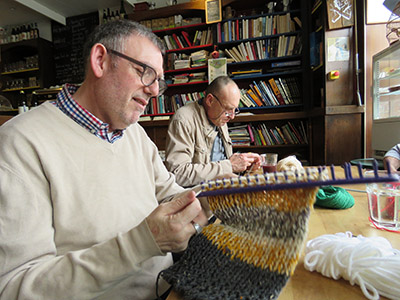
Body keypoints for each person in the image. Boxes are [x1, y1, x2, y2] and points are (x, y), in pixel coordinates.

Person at [0, 20, 209, 300]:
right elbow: (15, 288)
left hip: (169, 292)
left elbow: (172, 195)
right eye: (144, 72)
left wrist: (221, 198)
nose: (155, 91)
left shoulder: (134, 134)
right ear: (100, 61)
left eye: (159, 80)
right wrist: (143, 243)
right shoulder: (21, 142)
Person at [165, 76, 262, 187]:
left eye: (235, 110)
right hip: (197, 195)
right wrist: (230, 165)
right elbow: (178, 174)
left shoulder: (218, 117)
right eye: (228, 109)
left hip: (222, 187)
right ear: (210, 100)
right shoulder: (183, 120)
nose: (232, 116)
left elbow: (223, 163)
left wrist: (244, 167)